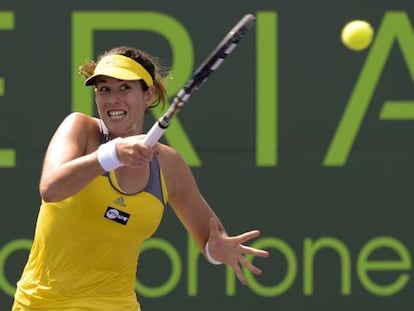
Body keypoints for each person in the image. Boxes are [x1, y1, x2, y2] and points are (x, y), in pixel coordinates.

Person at [12, 46, 269, 310]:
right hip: (43, 304)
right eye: (104, 89)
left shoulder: (169, 165)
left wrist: (217, 251)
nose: (112, 98)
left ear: (149, 95)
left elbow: (209, 237)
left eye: (124, 88)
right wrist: (112, 154)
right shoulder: (80, 128)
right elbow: (51, 188)